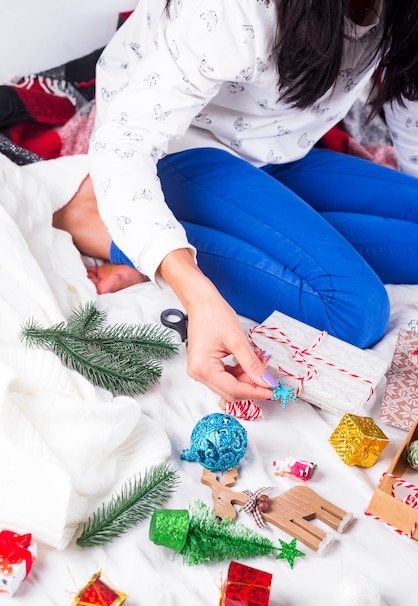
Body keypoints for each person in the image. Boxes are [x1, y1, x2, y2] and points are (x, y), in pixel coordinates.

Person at [53, 0, 418, 403]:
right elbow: (124, 142)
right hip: (181, 146)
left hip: (276, 153)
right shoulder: (235, 8)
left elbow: (409, 100)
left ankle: (245, 229)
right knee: (356, 311)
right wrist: (194, 290)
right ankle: (105, 230)